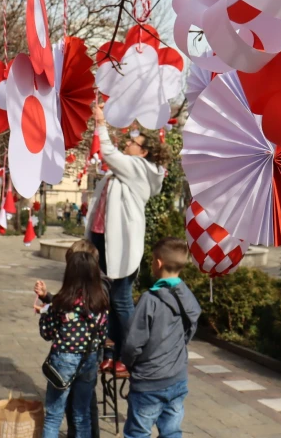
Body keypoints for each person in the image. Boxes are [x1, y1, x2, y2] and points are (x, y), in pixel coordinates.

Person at [85, 103, 169, 374]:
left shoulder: (138, 167)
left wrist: (101, 122)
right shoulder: (123, 170)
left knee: (120, 299)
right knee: (105, 299)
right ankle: (110, 351)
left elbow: (107, 151)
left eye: (134, 142)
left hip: (120, 245)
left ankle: (131, 355)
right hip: (102, 240)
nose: (128, 143)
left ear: (143, 152)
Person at [121, 238, 201, 438]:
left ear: (158, 263)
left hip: (149, 382)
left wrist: (130, 364)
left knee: (138, 432)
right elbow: (190, 329)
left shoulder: (150, 300)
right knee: (172, 431)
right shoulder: (189, 297)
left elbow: (132, 343)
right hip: (177, 378)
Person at [35, 240, 109, 438]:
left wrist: (45, 313)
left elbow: (47, 333)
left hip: (63, 360)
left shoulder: (62, 301)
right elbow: (103, 332)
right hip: (89, 359)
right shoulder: (100, 301)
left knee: (53, 415)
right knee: (81, 414)